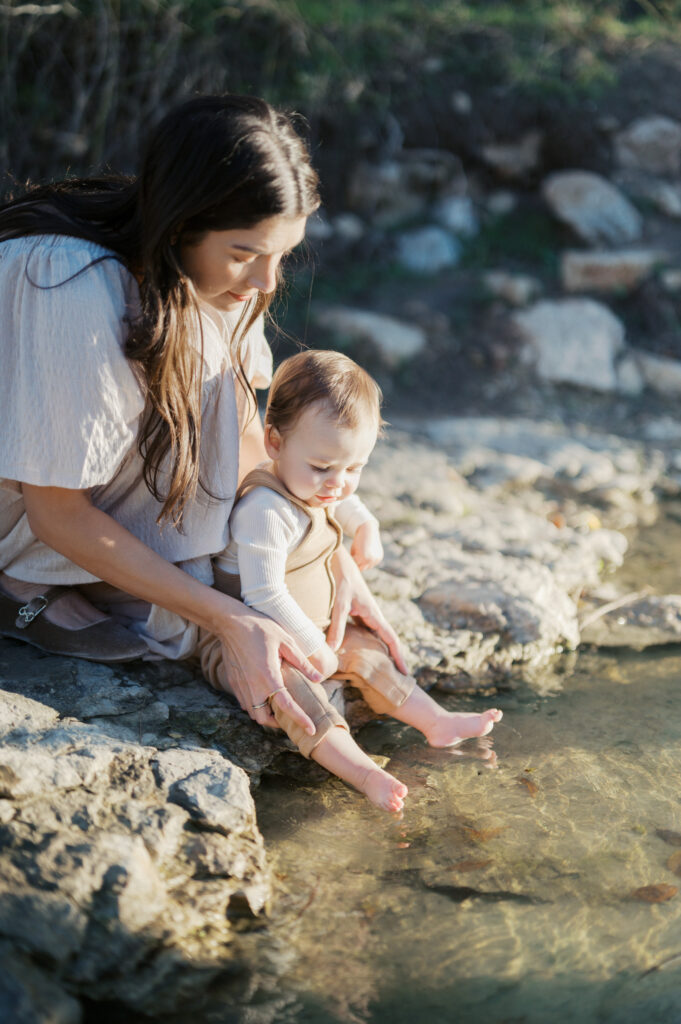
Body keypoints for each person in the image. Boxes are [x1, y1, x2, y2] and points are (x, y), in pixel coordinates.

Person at [0, 94, 405, 742]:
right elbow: (56, 511)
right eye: (246, 252)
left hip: (94, 497)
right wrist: (226, 619)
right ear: (183, 221)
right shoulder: (70, 281)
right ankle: (24, 585)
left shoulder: (207, 275)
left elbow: (244, 430)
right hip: (30, 512)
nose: (268, 281)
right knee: (217, 621)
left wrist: (325, 550)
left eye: (283, 253)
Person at [203, 350, 503, 812]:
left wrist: (366, 525)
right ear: (275, 443)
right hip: (252, 644)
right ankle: (363, 772)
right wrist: (314, 646)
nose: (337, 483)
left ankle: (436, 722)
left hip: (314, 628)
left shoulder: (313, 481)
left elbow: (340, 503)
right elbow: (263, 594)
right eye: (323, 466)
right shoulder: (264, 511)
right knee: (296, 696)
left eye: (355, 468)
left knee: (369, 652)